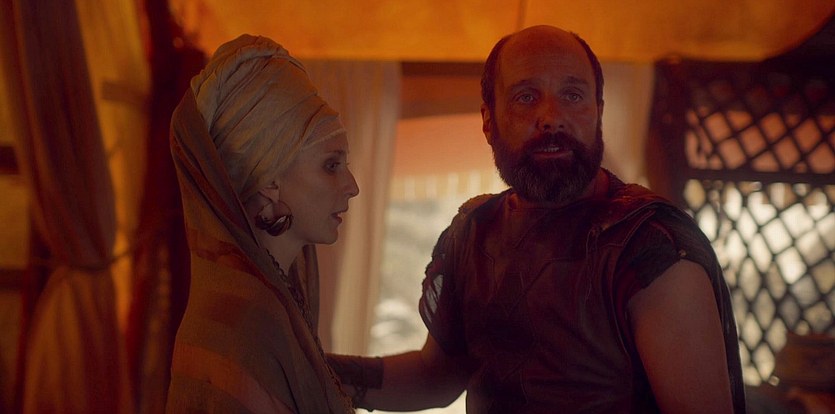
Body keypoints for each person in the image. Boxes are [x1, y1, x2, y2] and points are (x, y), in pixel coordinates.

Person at [327, 25, 746, 413]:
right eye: (526, 97)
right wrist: (317, 368)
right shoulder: (474, 232)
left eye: (573, 95)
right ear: (488, 119)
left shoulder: (651, 245)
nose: (551, 117)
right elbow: (435, 375)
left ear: (598, 111)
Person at [166, 34, 359, 413]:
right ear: (270, 180)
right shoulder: (248, 324)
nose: (352, 186)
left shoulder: (272, 301)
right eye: (331, 165)